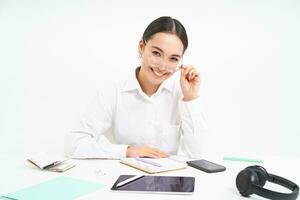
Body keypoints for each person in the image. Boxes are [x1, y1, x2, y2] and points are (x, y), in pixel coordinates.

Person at [65, 16, 209, 159]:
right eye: (156, 53)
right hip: (124, 176)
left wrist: (190, 98)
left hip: (168, 179)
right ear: (141, 46)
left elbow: (197, 155)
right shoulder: (113, 93)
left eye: (173, 59)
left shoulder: (180, 95)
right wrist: (128, 151)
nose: (163, 66)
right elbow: (74, 144)